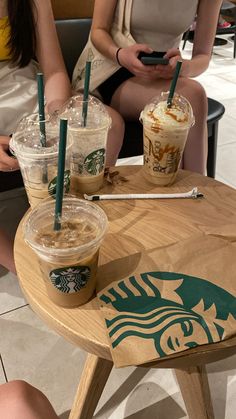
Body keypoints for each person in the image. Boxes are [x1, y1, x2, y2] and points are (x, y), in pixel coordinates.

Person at [73, 0, 223, 175]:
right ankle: (195, 190)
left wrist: (184, 67)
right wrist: (121, 55)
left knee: (189, 101)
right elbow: (98, 31)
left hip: (162, 74)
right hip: (111, 69)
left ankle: (186, 190)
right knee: (191, 98)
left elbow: (203, 55)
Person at [0, 0, 71, 273]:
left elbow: (54, 70)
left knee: (94, 129)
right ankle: (25, 269)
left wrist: (55, 119)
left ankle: (74, 230)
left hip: (26, 88)